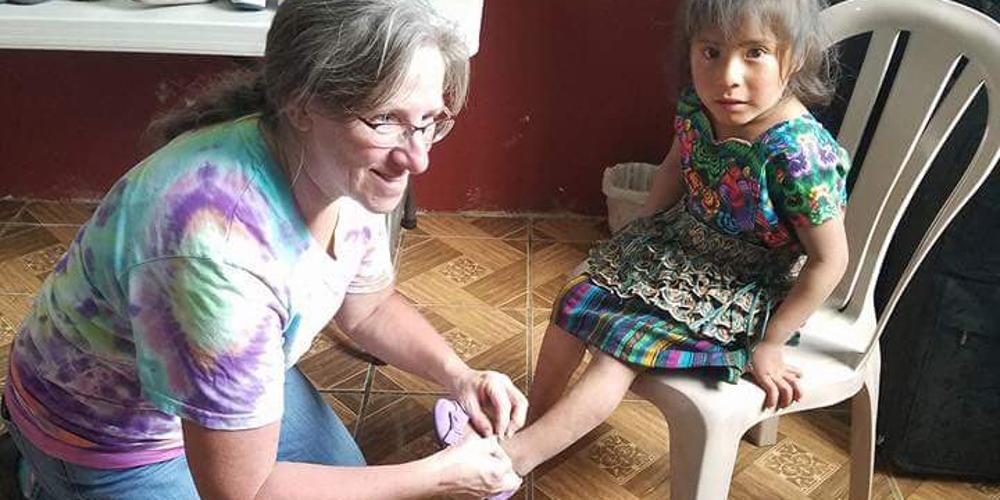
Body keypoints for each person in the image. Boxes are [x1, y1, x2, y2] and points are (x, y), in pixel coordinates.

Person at [0, 0, 528, 498]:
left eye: (430, 121)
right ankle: (45, 478)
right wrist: (435, 476)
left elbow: (367, 308)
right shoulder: (218, 252)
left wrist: (460, 375)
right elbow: (240, 491)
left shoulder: (346, 167)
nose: (417, 160)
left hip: (217, 366)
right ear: (302, 103)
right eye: (383, 120)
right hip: (106, 439)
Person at [433, 0, 851, 488]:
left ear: (794, 58)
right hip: (682, 252)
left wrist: (772, 342)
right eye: (710, 52)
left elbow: (830, 259)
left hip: (745, 284)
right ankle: (531, 422)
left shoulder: (798, 153)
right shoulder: (700, 107)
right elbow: (676, 164)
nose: (728, 76)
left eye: (755, 52)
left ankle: (508, 465)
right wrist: (642, 234)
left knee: (619, 352)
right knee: (575, 299)